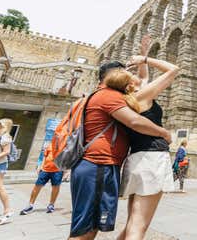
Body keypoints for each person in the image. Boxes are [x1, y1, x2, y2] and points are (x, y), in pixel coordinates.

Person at [68, 60, 174, 240]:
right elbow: (135, 121)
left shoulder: (116, 98)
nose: (132, 75)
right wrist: (163, 132)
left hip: (113, 163)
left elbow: (143, 78)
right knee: (86, 232)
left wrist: (144, 57)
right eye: (127, 72)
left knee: (104, 226)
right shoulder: (110, 96)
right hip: (101, 164)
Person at [105, 47, 179, 240]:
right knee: (139, 227)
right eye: (131, 74)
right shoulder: (142, 97)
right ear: (130, 84)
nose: (136, 74)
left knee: (132, 223)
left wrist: (141, 61)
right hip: (152, 160)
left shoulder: (128, 100)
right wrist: (145, 58)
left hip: (136, 160)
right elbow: (173, 69)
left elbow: (143, 77)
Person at [20, 143, 65, 215]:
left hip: (58, 170)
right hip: (45, 170)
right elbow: (45, 156)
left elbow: (67, 158)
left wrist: (66, 170)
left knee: (55, 187)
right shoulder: (50, 145)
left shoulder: (65, 145)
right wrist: (40, 166)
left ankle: (51, 205)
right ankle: (30, 205)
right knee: (37, 186)